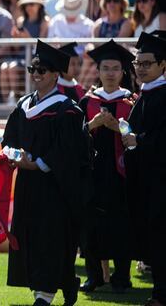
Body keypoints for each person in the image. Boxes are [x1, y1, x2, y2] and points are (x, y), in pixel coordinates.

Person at [0, 40, 89, 306]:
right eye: (33, 69)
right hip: (28, 185)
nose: (36, 75)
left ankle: (45, 294)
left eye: (43, 70)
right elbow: (9, 139)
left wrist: (37, 163)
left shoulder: (67, 109)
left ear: (56, 74)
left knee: (50, 238)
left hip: (54, 187)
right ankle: (64, 282)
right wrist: (12, 155)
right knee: (30, 236)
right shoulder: (24, 106)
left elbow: (69, 152)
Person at [78, 40, 136, 294]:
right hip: (93, 174)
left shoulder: (131, 102)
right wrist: (91, 125)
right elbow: (72, 138)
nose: (110, 73)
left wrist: (116, 127)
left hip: (121, 175)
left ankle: (122, 277)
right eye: (105, 68)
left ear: (123, 72)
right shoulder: (87, 102)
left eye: (115, 68)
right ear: (98, 72)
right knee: (92, 224)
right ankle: (94, 277)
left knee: (121, 224)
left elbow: (139, 136)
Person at [122, 32, 166, 306]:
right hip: (148, 180)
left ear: (163, 65)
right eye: (137, 63)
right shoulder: (145, 94)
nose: (140, 68)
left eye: (146, 63)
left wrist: (139, 140)